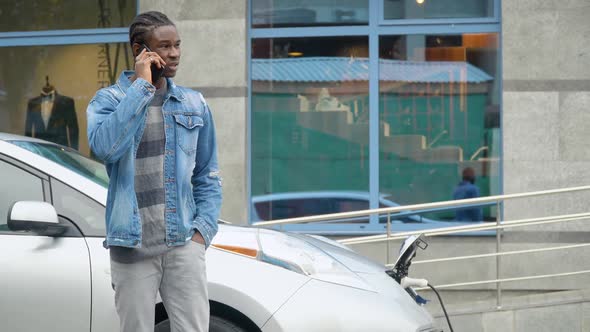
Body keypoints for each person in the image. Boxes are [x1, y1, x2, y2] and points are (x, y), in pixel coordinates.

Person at [86, 11, 222, 332]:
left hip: (182, 244)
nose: (174, 53)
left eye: (177, 45)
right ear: (139, 51)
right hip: (132, 247)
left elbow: (208, 174)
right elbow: (107, 147)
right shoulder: (108, 101)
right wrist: (142, 89)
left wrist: (201, 233)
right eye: (164, 46)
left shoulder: (193, 103)